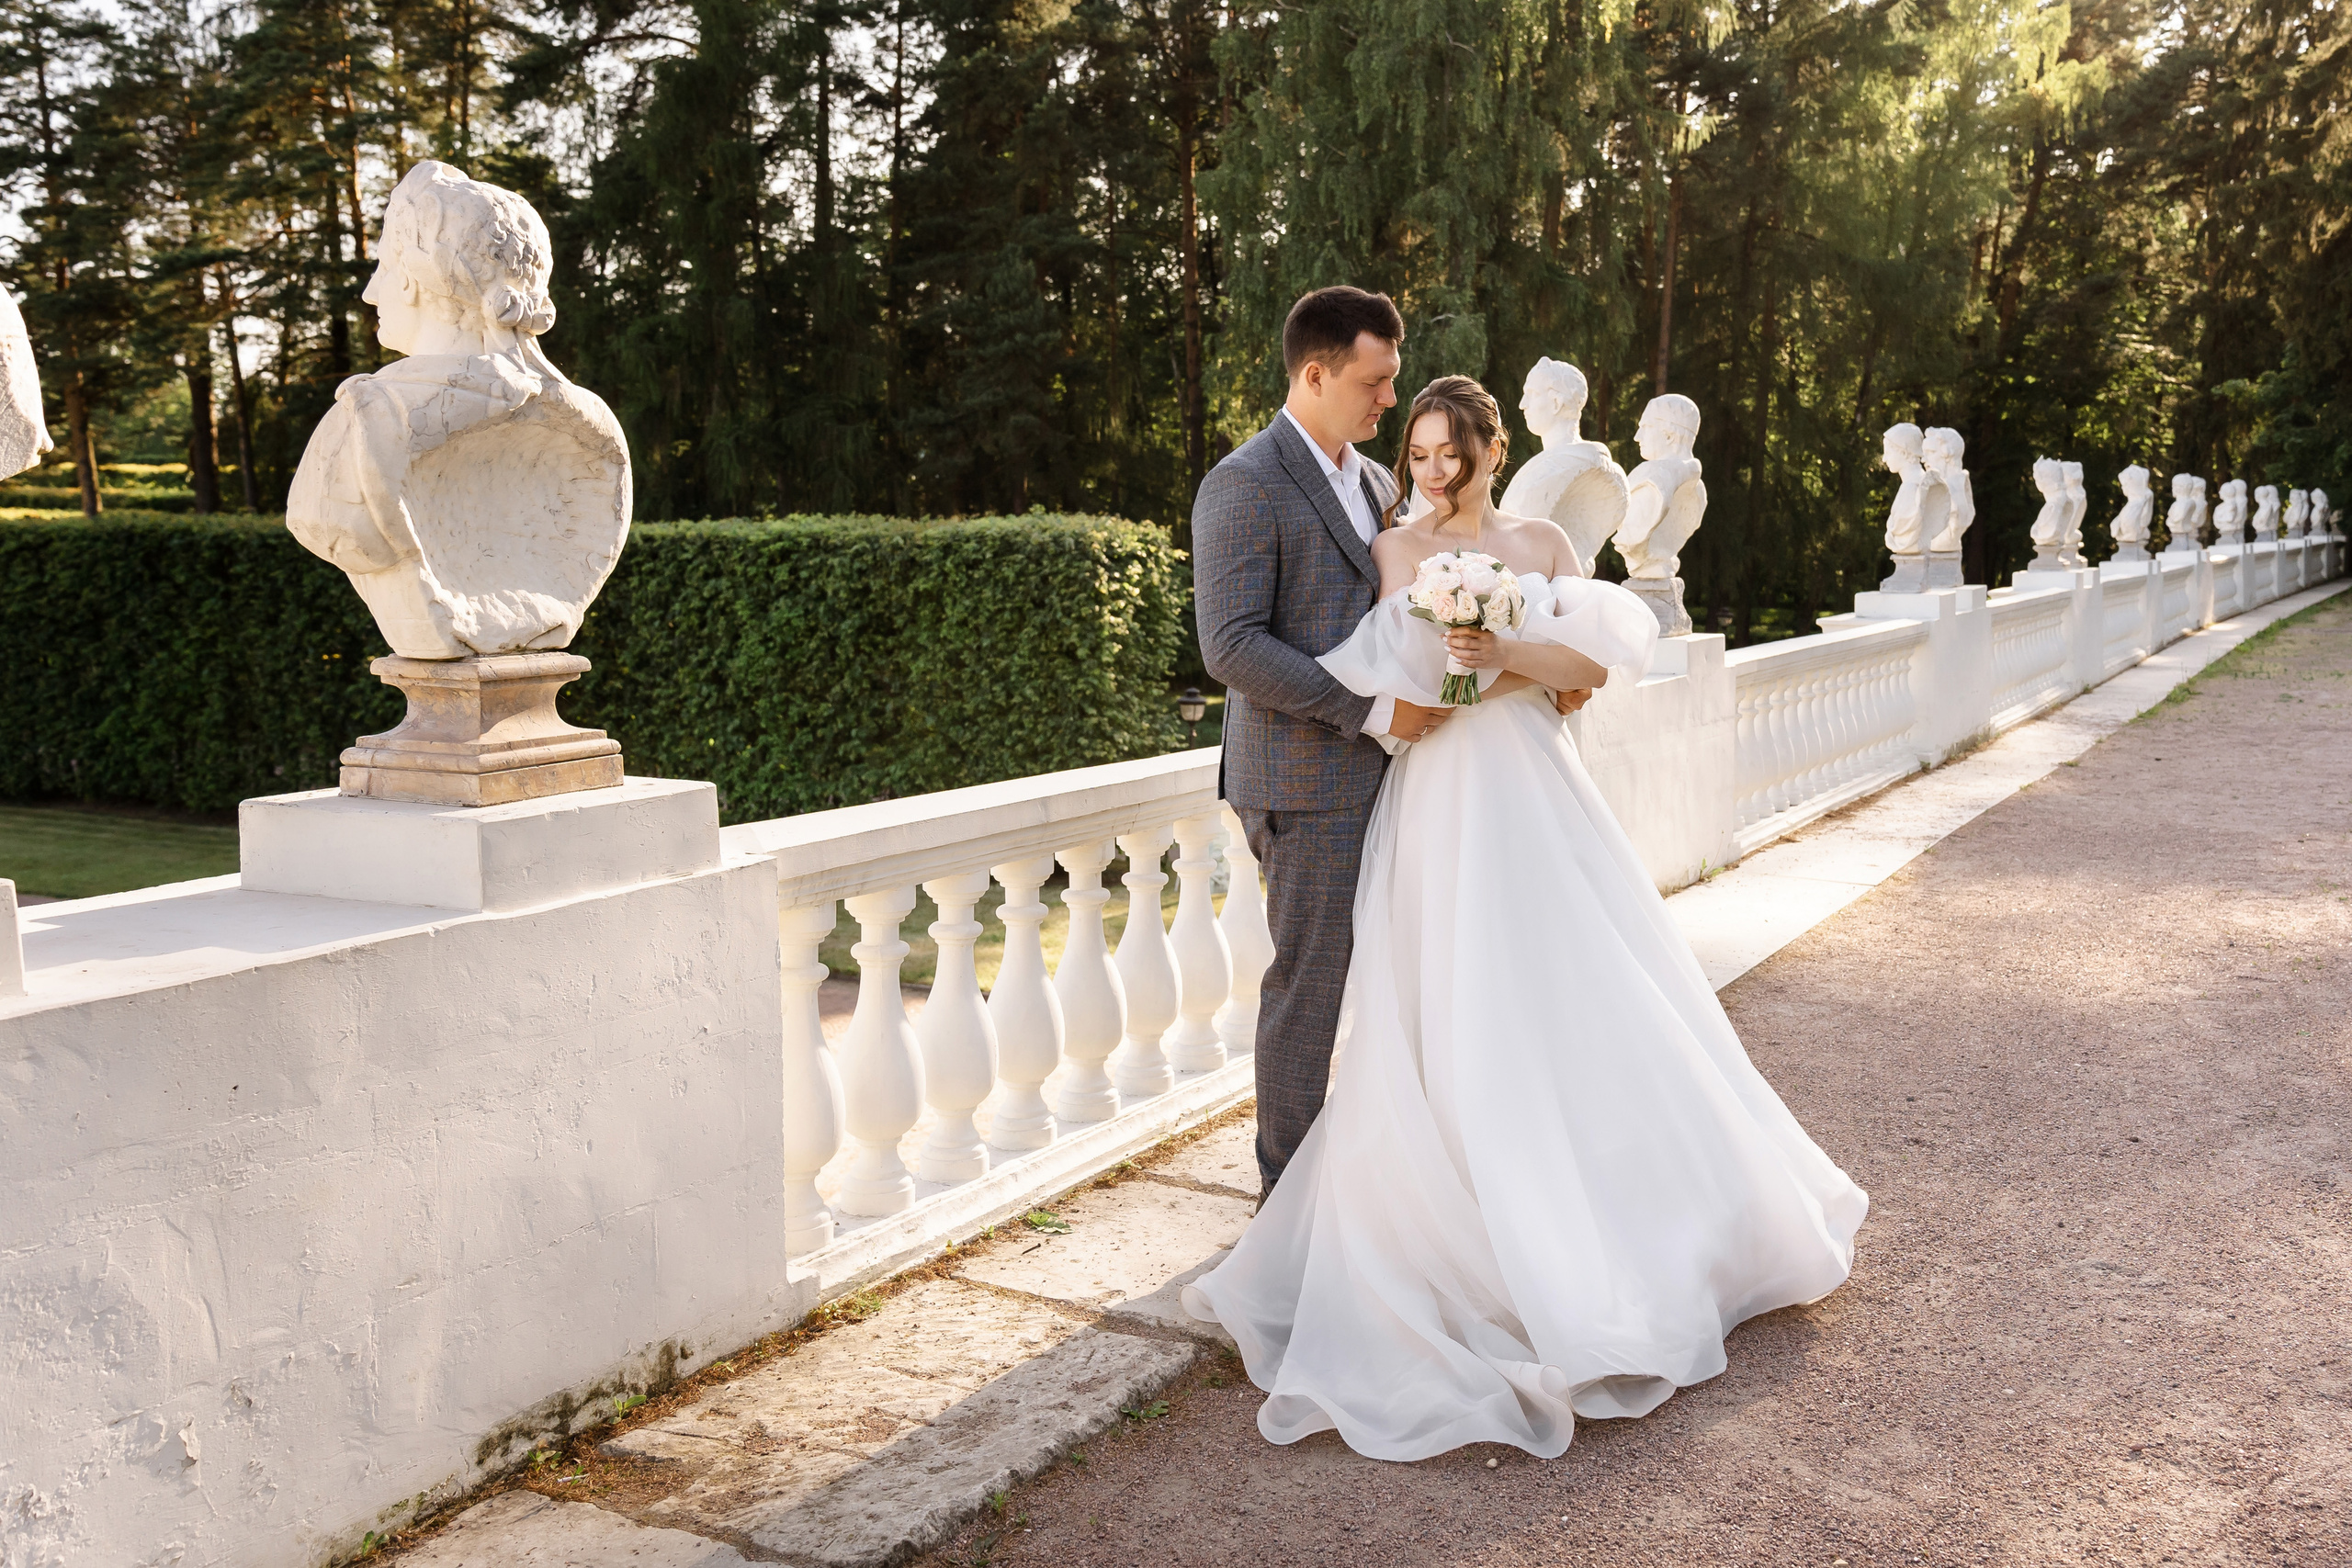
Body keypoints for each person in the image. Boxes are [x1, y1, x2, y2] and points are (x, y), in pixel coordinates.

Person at [1182, 373, 1868, 1461]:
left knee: (1578, 986)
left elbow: (1586, 670)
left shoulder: (1546, 542)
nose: (1433, 472)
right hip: (1441, 796)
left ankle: (1631, 1221)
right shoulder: (1397, 557)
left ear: (1492, 450)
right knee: (1449, 995)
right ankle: (1456, 1227)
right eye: (1418, 454)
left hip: (1539, 790)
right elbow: (1397, 691)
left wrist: (1504, 654)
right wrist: (1475, 668)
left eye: (1451, 452)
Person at [1193, 288, 1589, 1201]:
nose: (1385, 402)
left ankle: (1391, 1194)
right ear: (1317, 372)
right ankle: (1286, 1209)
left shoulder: (1377, 485)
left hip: (1408, 785)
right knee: (1311, 996)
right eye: (1374, 384)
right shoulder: (1243, 482)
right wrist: (1375, 717)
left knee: (1411, 994)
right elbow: (1232, 646)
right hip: (1304, 781)